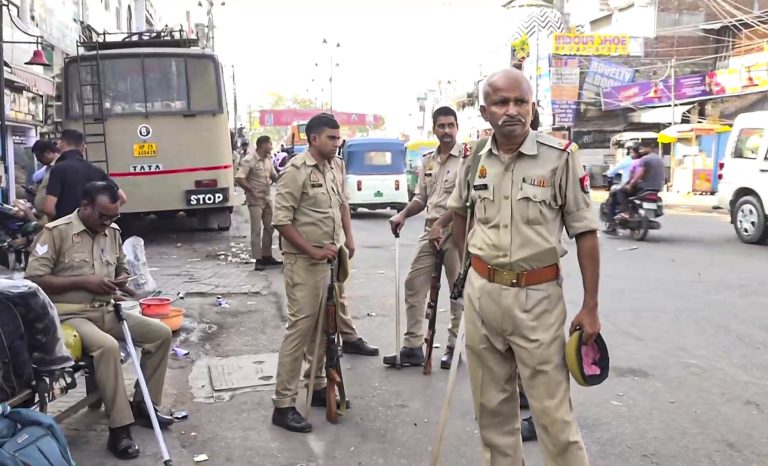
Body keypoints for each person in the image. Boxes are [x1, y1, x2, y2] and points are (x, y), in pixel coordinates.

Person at [448, 68, 600, 466]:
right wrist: (467, 272)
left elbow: (585, 232)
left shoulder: (560, 157)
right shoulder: (473, 158)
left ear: (533, 107)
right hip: (483, 296)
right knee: (492, 414)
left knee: (553, 416)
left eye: (521, 102)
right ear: (485, 111)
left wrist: (590, 306)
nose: (512, 110)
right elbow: (460, 212)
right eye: (501, 102)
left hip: (537, 300)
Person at [25, 181, 175, 460]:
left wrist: (122, 282)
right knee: (107, 347)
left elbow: (119, 268)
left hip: (106, 309)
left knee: (160, 334)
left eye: (113, 216)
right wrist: (84, 282)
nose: (108, 222)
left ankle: (144, 405)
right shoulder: (56, 232)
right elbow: (34, 280)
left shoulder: (112, 232)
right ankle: (120, 429)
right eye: (103, 216)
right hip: (70, 314)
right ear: (85, 207)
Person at [270, 113, 354, 433]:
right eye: (331, 138)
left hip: (329, 260)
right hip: (304, 263)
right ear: (314, 139)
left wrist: (348, 239)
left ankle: (318, 385)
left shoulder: (334, 166)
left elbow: (341, 205)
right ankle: (283, 404)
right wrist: (312, 251)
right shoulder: (296, 170)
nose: (337, 143)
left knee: (324, 328)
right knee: (300, 331)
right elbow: (281, 221)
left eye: (338, 138)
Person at [385, 106, 464, 370]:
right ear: (434, 129)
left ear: (457, 127)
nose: (447, 130)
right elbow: (422, 198)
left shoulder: (467, 159)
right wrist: (403, 214)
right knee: (413, 284)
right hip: (431, 231)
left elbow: (466, 201)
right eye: (442, 126)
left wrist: (441, 224)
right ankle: (412, 346)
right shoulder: (429, 160)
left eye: (451, 125)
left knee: (457, 291)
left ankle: (454, 347)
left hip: (457, 230)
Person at [43, 129, 127, 221]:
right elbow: (122, 198)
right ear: (82, 148)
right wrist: (103, 216)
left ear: (61, 144)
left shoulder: (58, 169)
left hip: (67, 226)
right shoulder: (96, 169)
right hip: (92, 226)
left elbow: (48, 208)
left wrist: (58, 223)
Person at [235, 135, 283, 271]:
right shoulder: (249, 160)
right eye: (270, 144)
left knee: (270, 227)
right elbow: (239, 178)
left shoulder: (268, 159)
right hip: (255, 200)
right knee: (256, 230)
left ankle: (267, 256)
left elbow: (274, 176)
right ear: (263, 145)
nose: (271, 147)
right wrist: (251, 191)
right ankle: (258, 259)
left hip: (267, 198)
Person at [614, 140, 665, 221]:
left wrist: (630, 185)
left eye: (642, 149)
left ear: (648, 148)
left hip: (645, 187)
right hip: (657, 187)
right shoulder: (659, 159)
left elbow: (638, 175)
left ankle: (625, 213)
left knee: (621, 191)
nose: (640, 151)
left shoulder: (645, 159)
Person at [603, 141, 643, 233]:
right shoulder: (644, 160)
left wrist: (608, 173)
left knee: (613, 199)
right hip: (641, 188)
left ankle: (611, 225)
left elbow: (615, 169)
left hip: (630, 186)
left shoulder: (627, 160)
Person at [30, 140, 60, 218]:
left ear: (48, 153)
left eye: (39, 157)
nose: (38, 160)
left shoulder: (59, 167)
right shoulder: (48, 168)